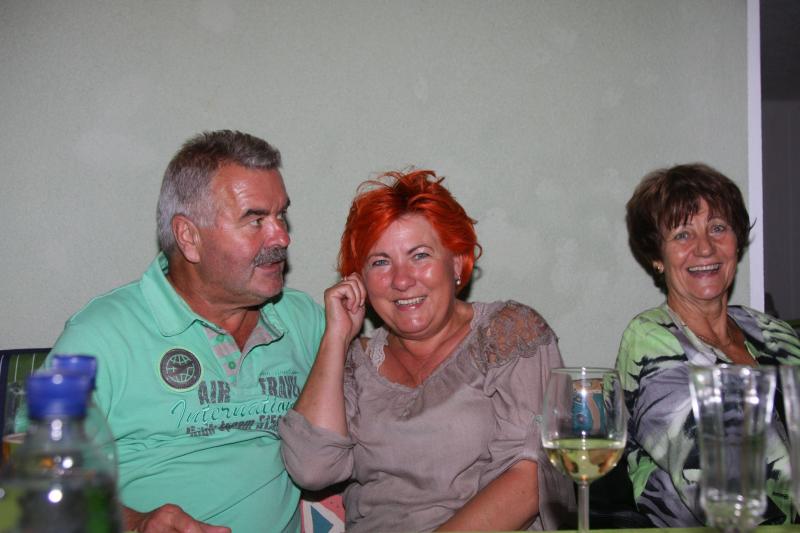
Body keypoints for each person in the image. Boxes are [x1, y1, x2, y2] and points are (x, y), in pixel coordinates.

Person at [49, 130, 325, 532]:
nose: (282, 236)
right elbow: (39, 477)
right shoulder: (100, 337)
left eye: (281, 215)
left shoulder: (303, 320)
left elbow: (386, 373)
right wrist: (136, 523)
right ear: (189, 237)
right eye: (255, 220)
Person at [279, 169, 574, 532]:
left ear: (456, 262)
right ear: (360, 281)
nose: (402, 280)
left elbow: (532, 479)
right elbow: (312, 469)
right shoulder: (356, 363)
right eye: (380, 262)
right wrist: (336, 338)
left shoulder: (509, 333)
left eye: (419, 256)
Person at [616, 163, 800, 527]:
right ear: (657, 257)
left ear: (736, 241)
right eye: (683, 234)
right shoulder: (651, 339)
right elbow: (720, 485)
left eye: (717, 228)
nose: (705, 248)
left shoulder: (775, 333)